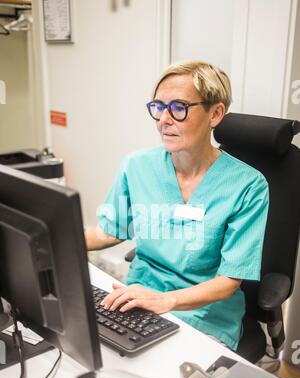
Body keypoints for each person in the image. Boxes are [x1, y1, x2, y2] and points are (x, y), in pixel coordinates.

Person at [85, 60, 269, 350]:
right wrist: (52, 238)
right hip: (138, 298)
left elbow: (229, 281)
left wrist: (166, 301)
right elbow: (109, 232)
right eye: (158, 107)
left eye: (178, 108)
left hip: (203, 315)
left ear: (215, 113)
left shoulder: (248, 186)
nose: (163, 120)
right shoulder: (137, 166)